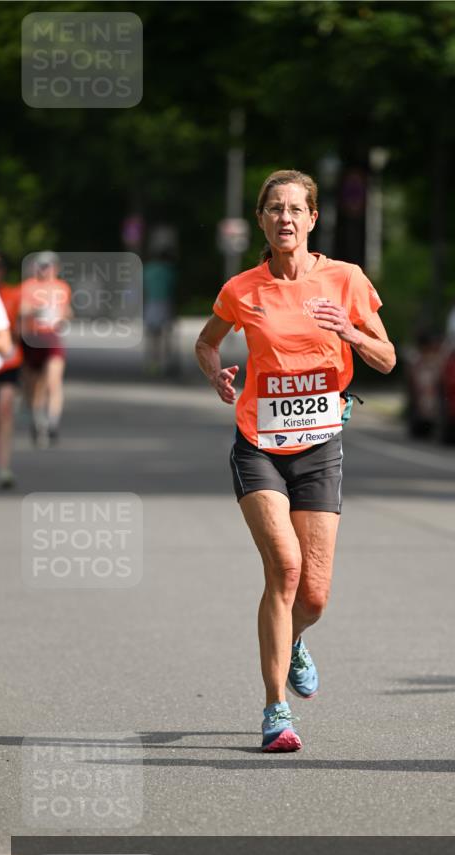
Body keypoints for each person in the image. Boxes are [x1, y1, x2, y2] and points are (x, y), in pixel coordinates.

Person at [195, 169, 396, 752]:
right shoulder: (243, 289)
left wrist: (351, 335)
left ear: (312, 219)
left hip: (319, 448)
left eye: (295, 209)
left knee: (313, 596)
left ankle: (296, 639)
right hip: (258, 444)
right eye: (274, 209)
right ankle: (275, 710)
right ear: (262, 220)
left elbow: (386, 359)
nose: (285, 218)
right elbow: (207, 342)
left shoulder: (346, 280)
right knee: (283, 569)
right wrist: (217, 376)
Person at [19, 251, 71, 447]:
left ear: (55, 268)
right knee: (35, 385)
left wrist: (63, 316)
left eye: (49, 266)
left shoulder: (62, 287)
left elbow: (67, 311)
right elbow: (22, 309)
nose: (45, 269)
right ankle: (37, 420)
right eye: (42, 266)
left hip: (52, 337)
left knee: (53, 381)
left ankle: (53, 424)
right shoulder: (28, 287)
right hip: (33, 337)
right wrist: (38, 310)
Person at [0, 252, 22, 488]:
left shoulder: (12, 294)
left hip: (7, 363)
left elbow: (13, 336)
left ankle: (3, 468)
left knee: (4, 411)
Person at [143, 248, 177, 376]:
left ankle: (152, 363)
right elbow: (172, 289)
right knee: (165, 335)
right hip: (165, 303)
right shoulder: (169, 270)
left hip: (150, 303)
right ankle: (165, 363)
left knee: (152, 336)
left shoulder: (148, 269)